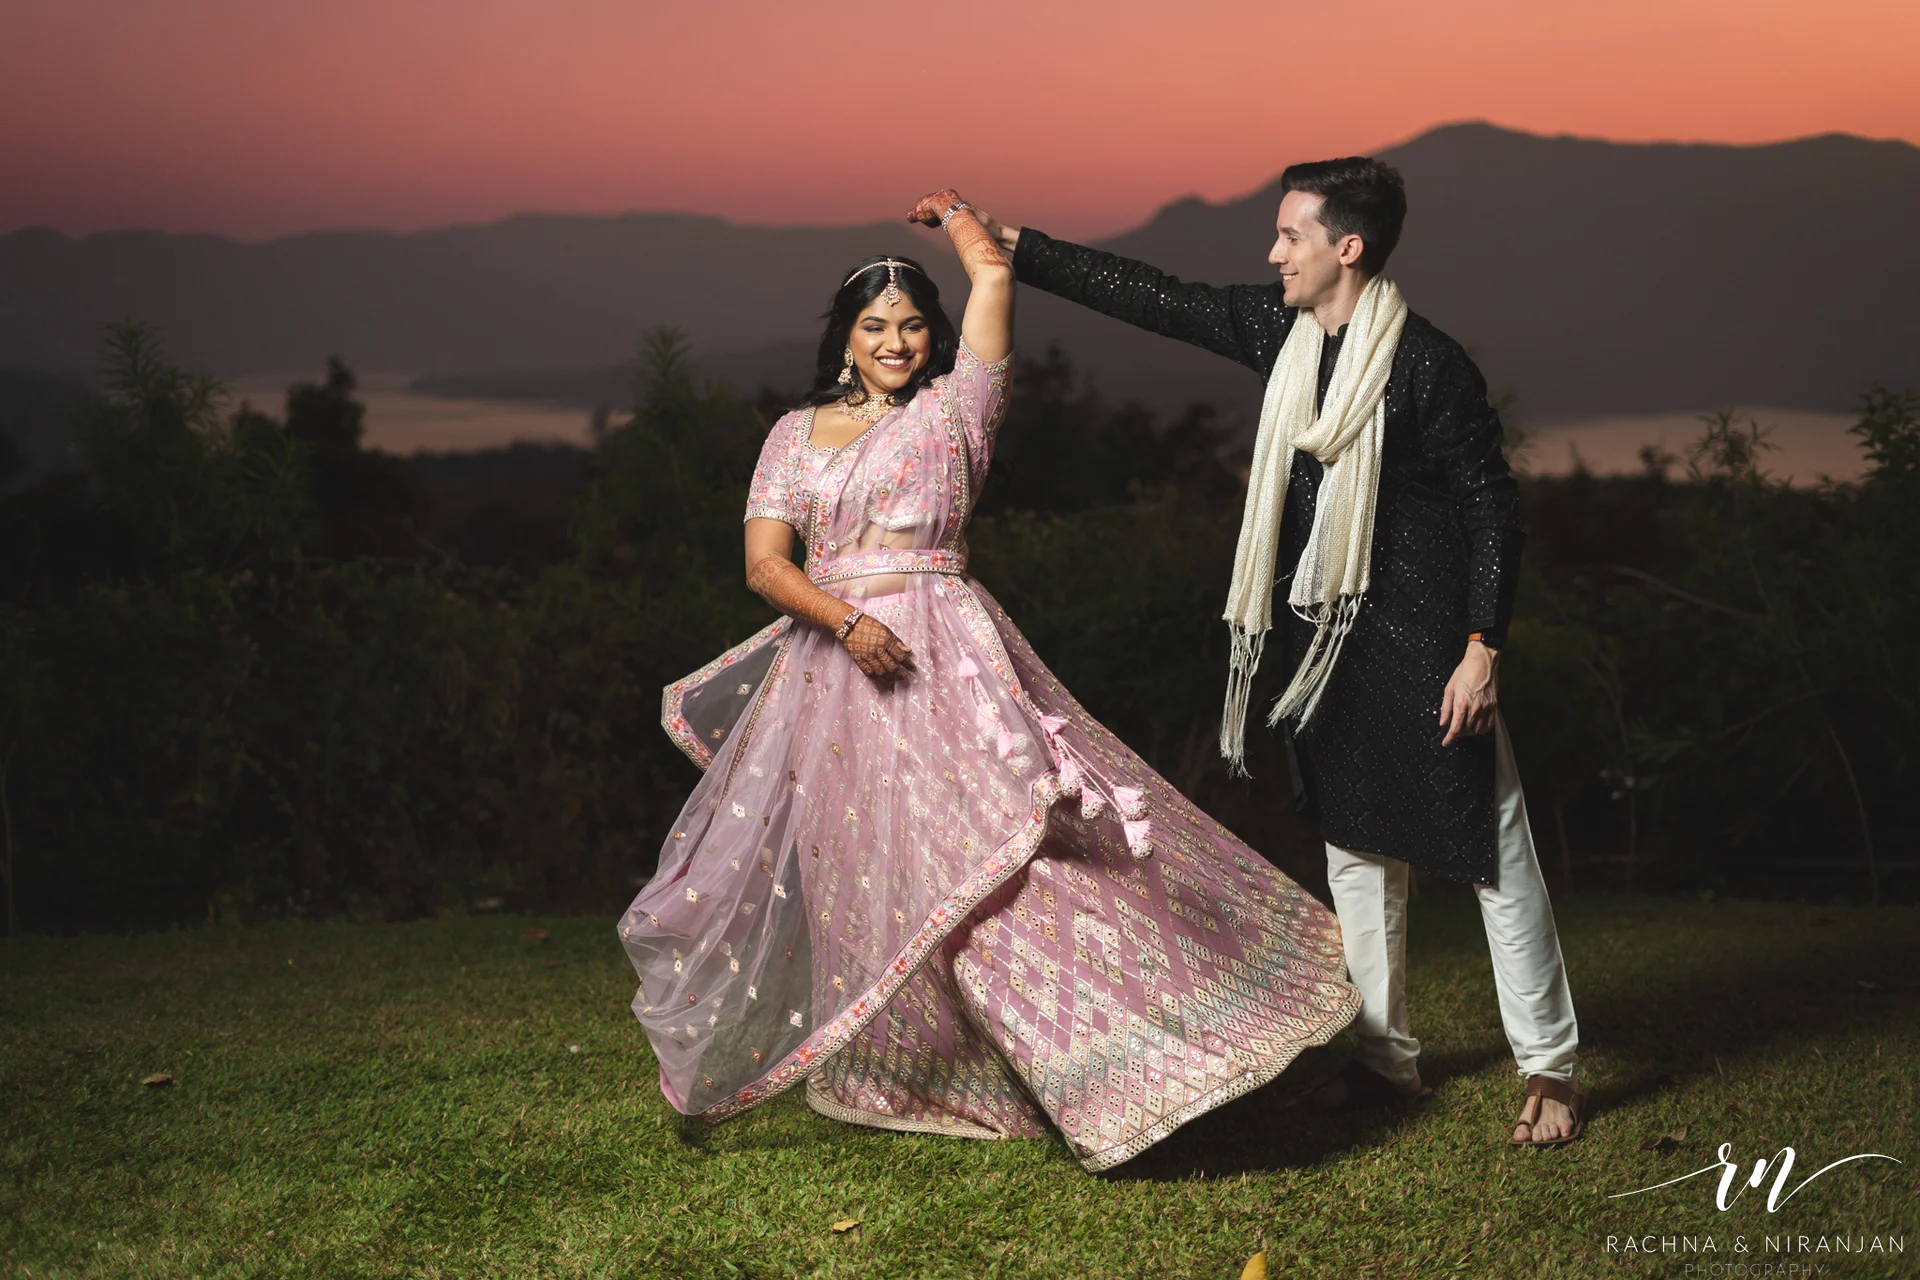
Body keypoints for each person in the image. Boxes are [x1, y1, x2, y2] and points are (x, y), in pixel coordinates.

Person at [616, 191, 1361, 1172]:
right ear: (845, 336)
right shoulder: (794, 436)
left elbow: (997, 282)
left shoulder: (958, 409)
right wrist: (847, 621)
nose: (896, 339)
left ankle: (1125, 1069)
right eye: (876, 323)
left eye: (913, 322)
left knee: (1004, 857)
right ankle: (942, 1060)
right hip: (836, 672)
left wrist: (967, 226)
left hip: (948, 657)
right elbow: (765, 566)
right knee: (875, 866)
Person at [961, 158, 1588, 1147]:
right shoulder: (1279, 331)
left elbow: (1489, 508)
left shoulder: (1426, 362)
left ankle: (1548, 1066)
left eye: (1290, 234)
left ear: (1349, 247)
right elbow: (1158, 298)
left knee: (1491, 847)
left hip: (1429, 637)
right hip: (1324, 641)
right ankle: (1387, 1057)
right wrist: (1017, 246)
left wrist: (1482, 646)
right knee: (1356, 851)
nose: (1272, 252)